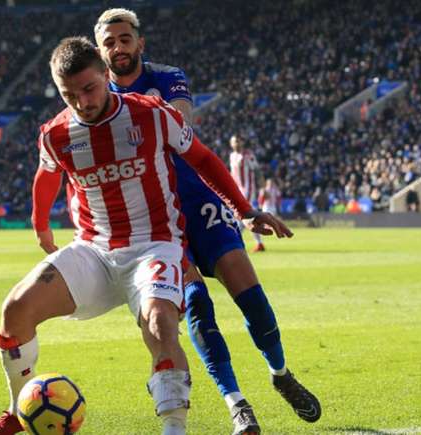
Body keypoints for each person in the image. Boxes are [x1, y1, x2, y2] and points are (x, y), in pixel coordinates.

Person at [0, 36, 290, 435]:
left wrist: (244, 210)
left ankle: (174, 428)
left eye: (89, 89)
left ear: (107, 76)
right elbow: (46, 177)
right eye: (68, 95)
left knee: (160, 324)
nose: (82, 103)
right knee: (14, 311)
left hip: (155, 245)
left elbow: (203, 158)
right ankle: (17, 412)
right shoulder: (55, 134)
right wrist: (41, 224)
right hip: (94, 250)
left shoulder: (152, 114)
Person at [94, 8, 320, 435]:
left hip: (198, 199)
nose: (118, 48)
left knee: (249, 294)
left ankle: (281, 373)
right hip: (155, 218)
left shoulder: (167, 77)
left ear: (139, 43)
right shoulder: (95, 95)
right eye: (109, 42)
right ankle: (237, 404)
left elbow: (179, 126)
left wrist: (243, 209)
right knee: (196, 305)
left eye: (125, 39)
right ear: (100, 50)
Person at [230, 134, 265, 252]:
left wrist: (263, 188)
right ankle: (259, 243)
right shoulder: (232, 156)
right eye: (235, 142)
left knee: (241, 215)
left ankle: (234, 241)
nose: (237, 144)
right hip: (236, 189)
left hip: (248, 190)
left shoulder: (248, 155)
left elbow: (257, 170)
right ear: (231, 144)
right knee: (247, 217)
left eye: (239, 141)